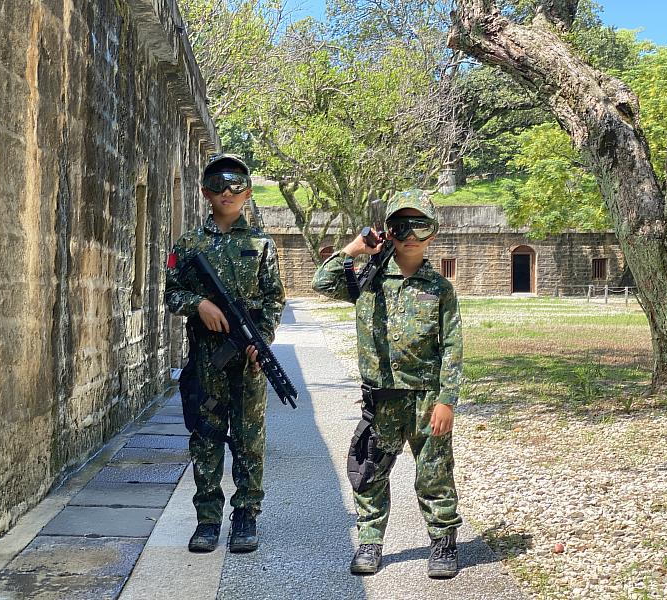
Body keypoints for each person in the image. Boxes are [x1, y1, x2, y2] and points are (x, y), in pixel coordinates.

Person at [312, 189, 463, 577]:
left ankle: (443, 543)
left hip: (426, 398)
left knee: (434, 473)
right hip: (380, 398)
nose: (410, 234)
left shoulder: (440, 288)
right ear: (388, 231)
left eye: (420, 225)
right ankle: (370, 542)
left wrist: (447, 400)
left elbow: (452, 346)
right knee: (370, 472)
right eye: (400, 225)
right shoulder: (369, 280)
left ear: (433, 231)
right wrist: (355, 248)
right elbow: (322, 282)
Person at [165, 153, 285, 554]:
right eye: (218, 184)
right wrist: (199, 304)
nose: (227, 192)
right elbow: (171, 294)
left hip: (248, 359)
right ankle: (207, 519)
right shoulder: (189, 245)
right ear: (205, 192)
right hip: (206, 360)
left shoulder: (261, 245)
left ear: (248, 193)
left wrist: (260, 339)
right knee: (206, 436)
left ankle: (247, 515)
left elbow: (273, 299)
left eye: (236, 185)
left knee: (250, 437)